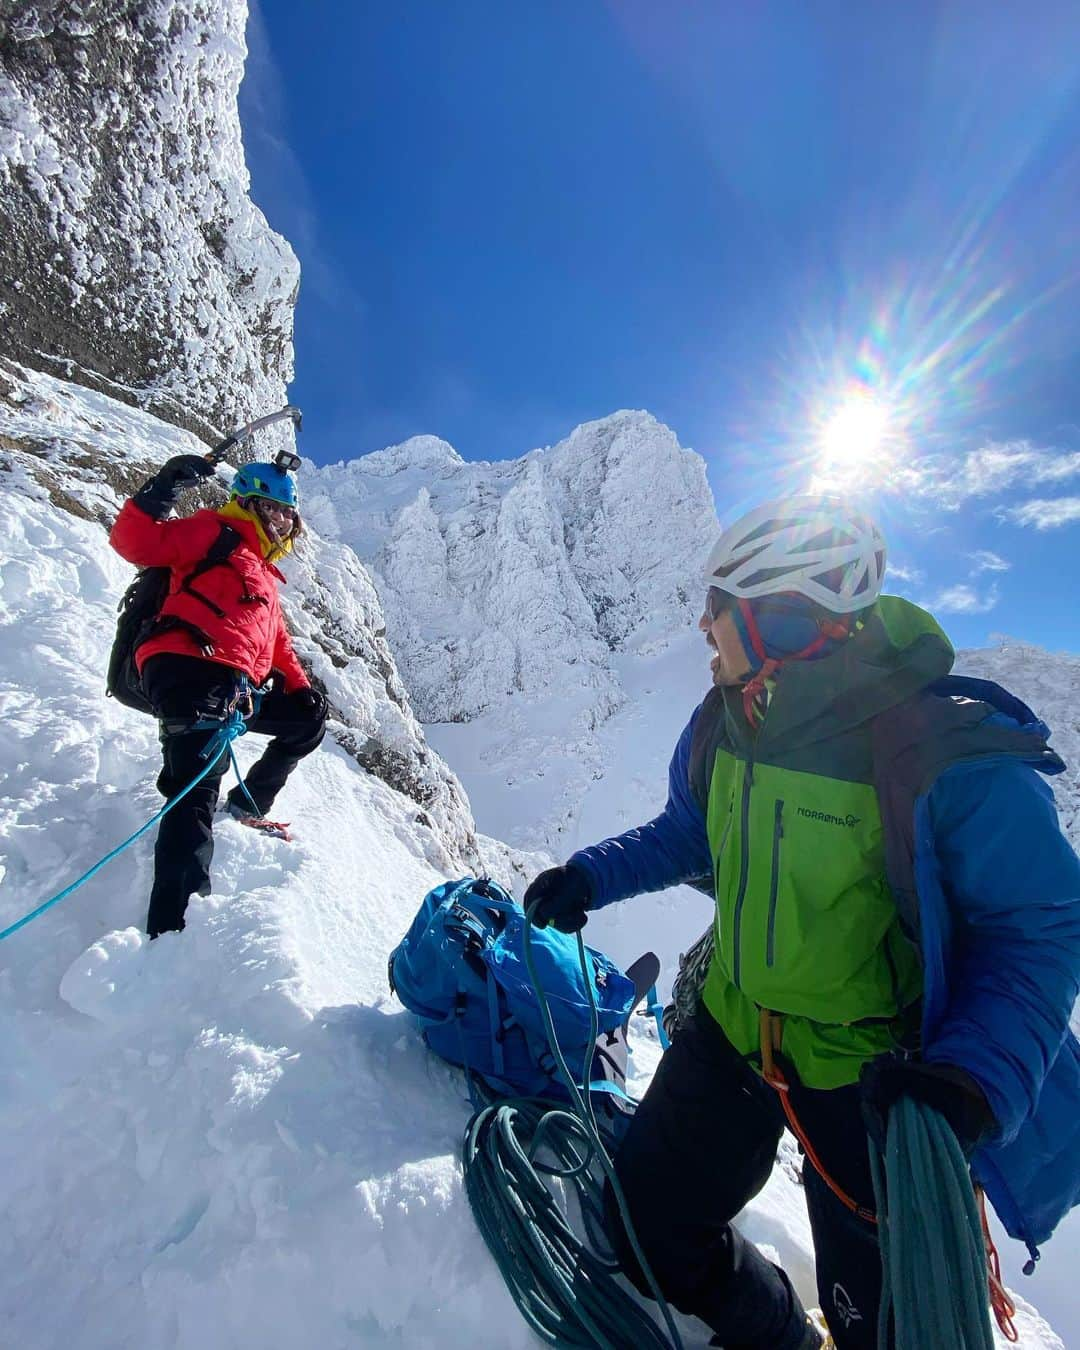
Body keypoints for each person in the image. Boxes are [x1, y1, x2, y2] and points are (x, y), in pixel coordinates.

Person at [524, 496, 1080, 1350]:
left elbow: (1036, 932)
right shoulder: (727, 718)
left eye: (717, 607)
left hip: (871, 1088)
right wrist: (593, 876)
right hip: (732, 1032)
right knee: (649, 1237)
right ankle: (781, 1335)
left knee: (890, 1330)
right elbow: (685, 830)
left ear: (780, 618)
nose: (702, 627)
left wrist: (971, 1081)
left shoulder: (939, 752)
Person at [109, 454, 327, 938]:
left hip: (233, 688)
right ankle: (172, 932)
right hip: (188, 668)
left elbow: (275, 643)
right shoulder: (212, 533)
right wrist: (162, 487)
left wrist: (300, 689)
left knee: (305, 725)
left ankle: (249, 805)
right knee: (195, 788)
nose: (282, 522)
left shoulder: (263, 575)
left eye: (289, 515)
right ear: (247, 505)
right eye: (273, 511)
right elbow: (135, 541)